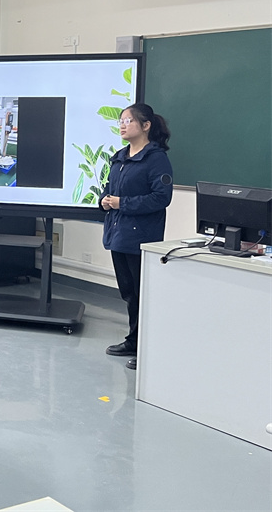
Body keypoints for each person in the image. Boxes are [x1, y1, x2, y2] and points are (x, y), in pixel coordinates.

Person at [99, 103, 172, 371]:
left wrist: (123, 203)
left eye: (128, 120)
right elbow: (110, 188)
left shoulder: (156, 159)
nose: (122, 125)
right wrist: (104, 200)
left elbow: (161, 198)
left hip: (141, 236)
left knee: (143, 295)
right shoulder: (119, 157)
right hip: (118, 234)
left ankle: (146, 349)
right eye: (120, 121)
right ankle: (133, 341)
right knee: (129, 293)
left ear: (146, 125)